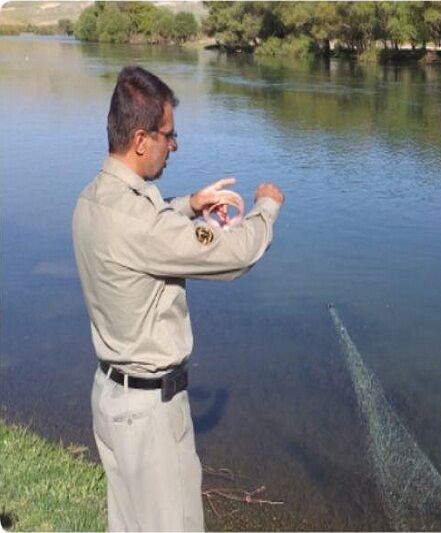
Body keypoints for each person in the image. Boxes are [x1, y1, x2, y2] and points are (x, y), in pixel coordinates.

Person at [72, 65, 284, 531]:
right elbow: (234, 254)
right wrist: (267, 207)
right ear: (142, 139)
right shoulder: (141, 223)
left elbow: (145, 227)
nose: (175, 145)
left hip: (110, 396)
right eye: (169, 135)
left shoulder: (93, 199)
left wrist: (189, 205)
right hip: (149, 416)